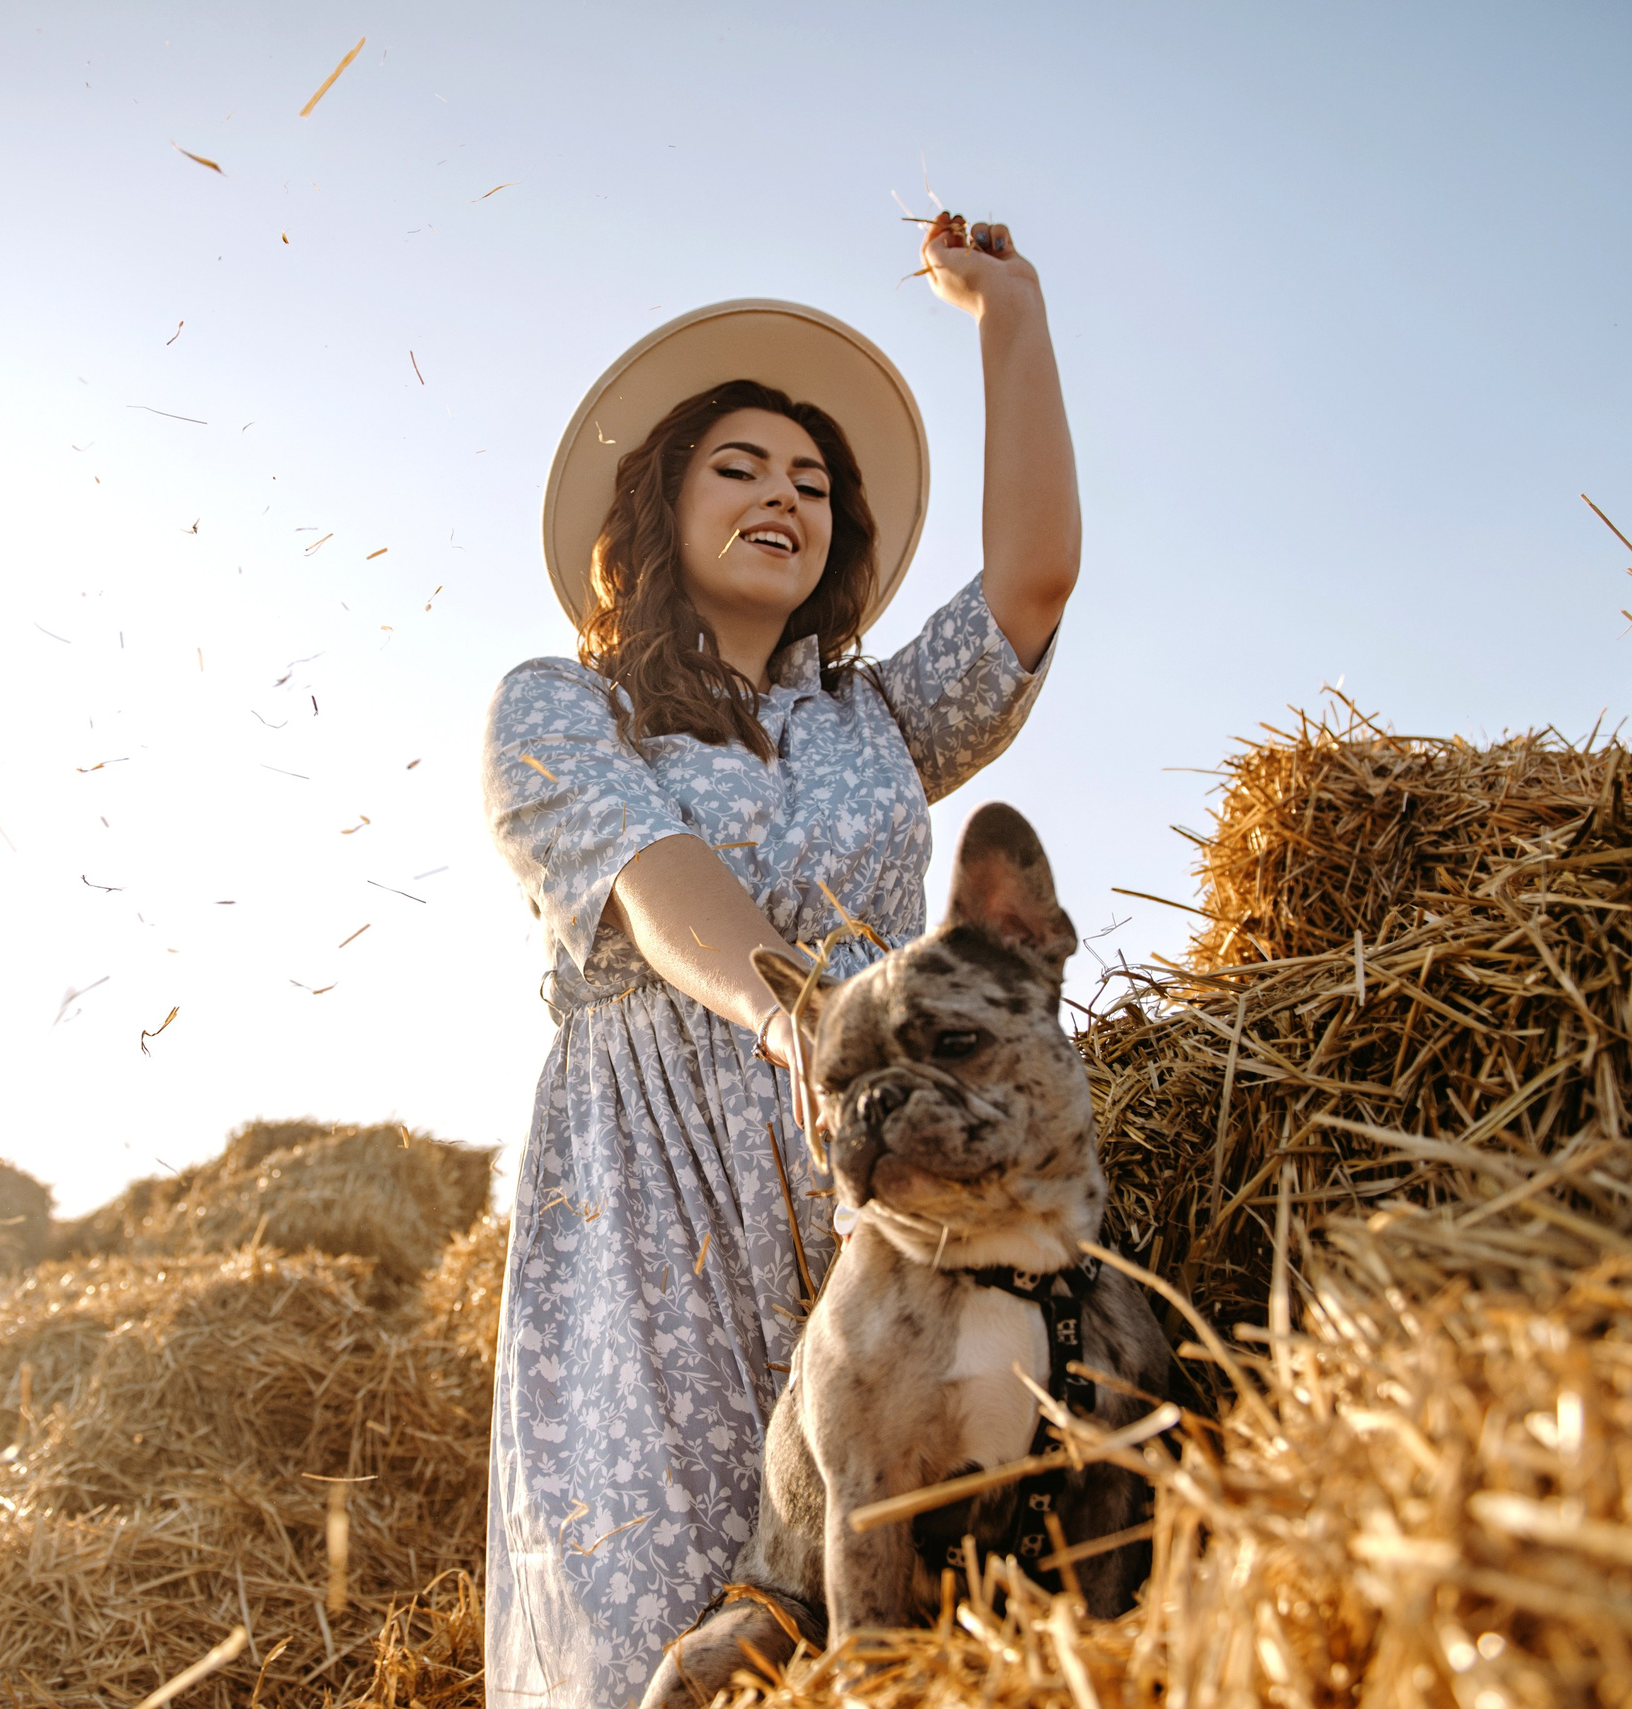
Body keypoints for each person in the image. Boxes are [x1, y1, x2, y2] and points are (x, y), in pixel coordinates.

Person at [479, 214, 1083, 1709]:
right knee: (666, 1600)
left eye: (813, 483)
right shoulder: (563, 707)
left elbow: (1033, 580)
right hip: (656, 1191)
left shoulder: (875, 718)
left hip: (877, 1182)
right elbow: (652, 879)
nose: (784, 496)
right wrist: (789, 1010)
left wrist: (1012, 315)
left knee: (884, 1603)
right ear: (660, 507)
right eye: (739, 467)